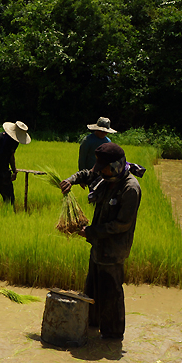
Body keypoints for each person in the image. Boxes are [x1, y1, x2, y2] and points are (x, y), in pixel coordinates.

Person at [59, 142, 145, 341]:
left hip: (114, 249)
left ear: (115, 166)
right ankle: (92, 324)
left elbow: (121, 225)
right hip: (98, 245)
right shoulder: (107, 176)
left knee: (111, 292)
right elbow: (86, 174)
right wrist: (70, 181)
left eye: (103, 168)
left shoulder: (130, 188)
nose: (100, 172)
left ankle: (112, 334)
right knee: (93, 286)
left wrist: (91, 231)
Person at [0, 121, 31, 212]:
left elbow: (11, 155)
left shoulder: (15, 142)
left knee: (10, 199)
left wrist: (14, 171)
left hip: (5, 173)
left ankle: (9, 218)